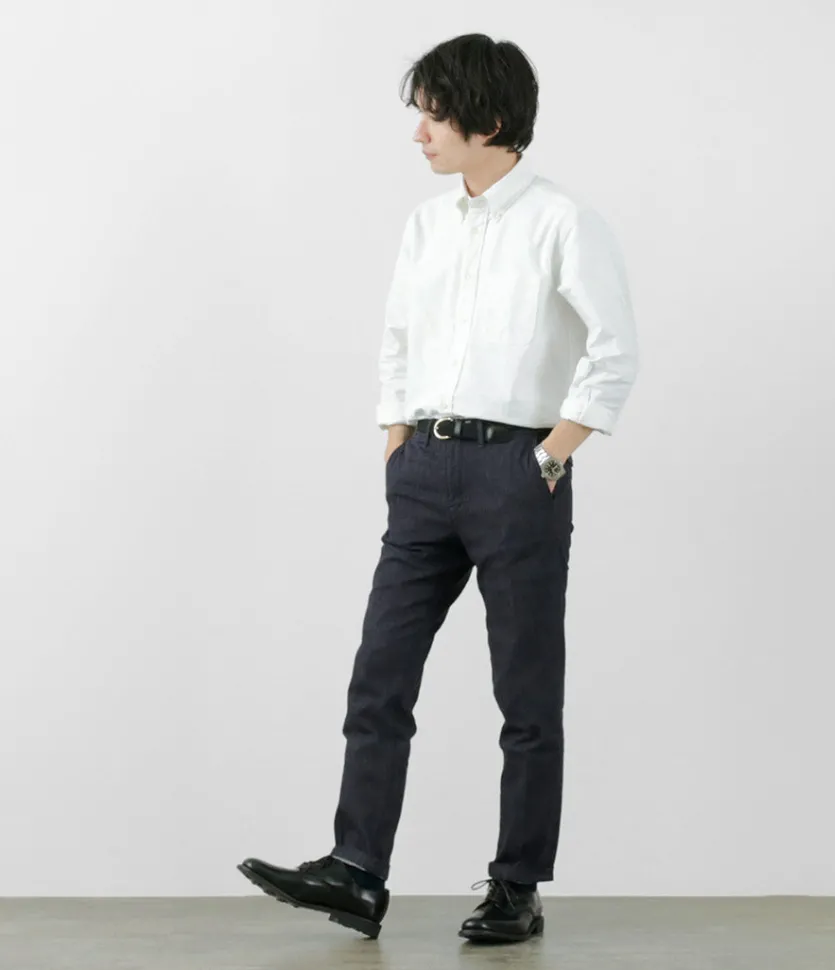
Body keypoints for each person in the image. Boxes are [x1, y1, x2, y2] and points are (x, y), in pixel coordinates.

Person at [238, 32, 638, 944]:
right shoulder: (426, 225)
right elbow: (397, 341)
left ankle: (517, 885)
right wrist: (397, 443)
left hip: (516, 472)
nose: (418, 132)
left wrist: (550, 457)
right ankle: (357, 871)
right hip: (424, 470)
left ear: (486, 121)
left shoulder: (564, 223)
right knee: (379, 677)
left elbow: (616, 350)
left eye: (433, 114)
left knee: (525, 696)